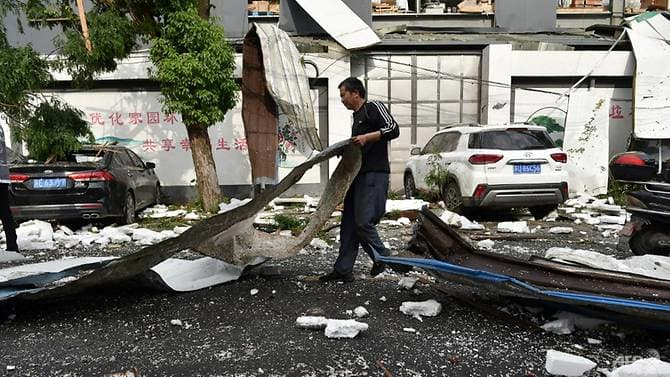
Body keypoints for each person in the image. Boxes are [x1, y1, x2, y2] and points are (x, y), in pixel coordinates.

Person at [320, 77, 400, 282]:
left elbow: (393, 129)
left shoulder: (374, 107)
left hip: (374, 174)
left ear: (355, 93)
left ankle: (382, 257)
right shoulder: (356, 118)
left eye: (343, 95)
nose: (342, 100)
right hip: (357, 175)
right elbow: (359, 147)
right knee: (348, 223)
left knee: (363, 222)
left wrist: (367, 138)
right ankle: (343, 270)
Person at [0, 126, 18, 253]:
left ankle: (12, 245)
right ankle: (12, 245)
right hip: (2, 176)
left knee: (5, 213)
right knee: (5, 212)